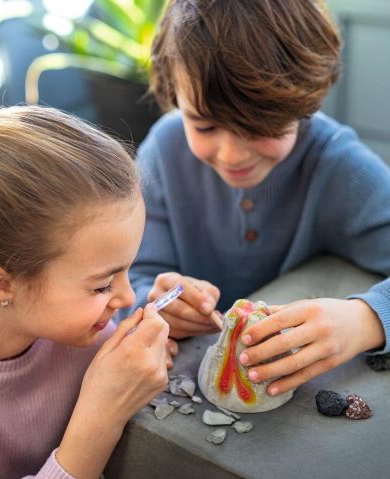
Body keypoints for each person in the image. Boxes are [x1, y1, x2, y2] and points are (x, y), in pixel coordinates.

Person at [124, 0, 390, 397]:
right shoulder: (163, 152)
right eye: (205, 124)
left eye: (258, 127)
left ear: (304, 101)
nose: (232, 155)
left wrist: (367, 319)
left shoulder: (339, 167)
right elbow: (131, 276)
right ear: (175, 95)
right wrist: (154, 304)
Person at [0, 105, 170, 479]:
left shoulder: (76, 329)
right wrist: (102, 413)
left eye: (129, 270)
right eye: (102, 283)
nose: (128, 297)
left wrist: (169, 340)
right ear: (1, 283)